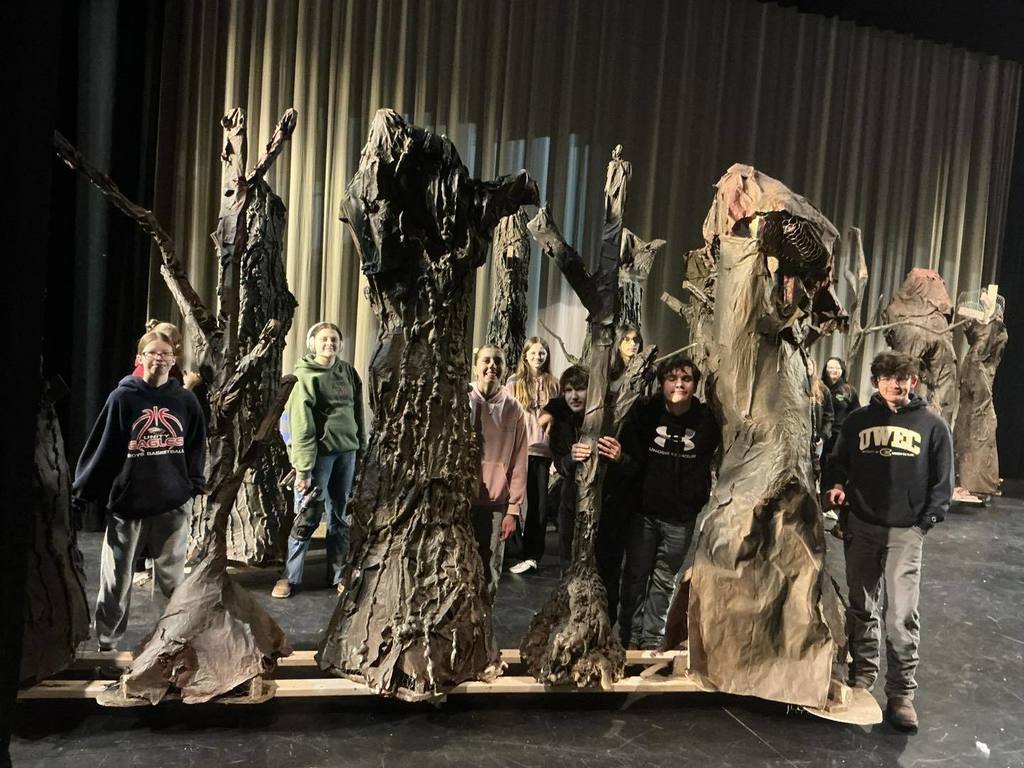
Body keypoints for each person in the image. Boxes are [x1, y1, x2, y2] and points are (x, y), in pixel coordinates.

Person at [825, 351, 953, 732]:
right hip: (862, 527)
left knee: (900, 615)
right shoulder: (857, 421)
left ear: (913, 381)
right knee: (861, 606)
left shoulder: (932, 425)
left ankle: (900, 694)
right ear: (876, 381)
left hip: (905, 532)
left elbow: (942, 481)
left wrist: (925, 522)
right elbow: (836, 461)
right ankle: (862, 679)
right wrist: (834, 486)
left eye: (901, 378)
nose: (893, 384)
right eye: (885, 378)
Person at [73, 330, 207, 651]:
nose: (159, 358)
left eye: (165, 353)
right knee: (116, 580)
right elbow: (103, 449)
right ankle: (107, 642)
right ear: (140, 359)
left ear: (173, 361)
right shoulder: (123, 398)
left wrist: (193, 485)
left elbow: (195, 446)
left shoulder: (185, 400)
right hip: (128, 505)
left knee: (171, 581)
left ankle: (168, 645)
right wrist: (82, 493)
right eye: (152, 352)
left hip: (173, 505)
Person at [611, 354, 720, 649]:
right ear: (661, 383)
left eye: (685, 379)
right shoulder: (647, 413)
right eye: (672, 379)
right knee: (634, 576)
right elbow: (632, 457)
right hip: (644, 512)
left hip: (680, 517)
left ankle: (649, 641)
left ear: (695, 384)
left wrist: (695, 500)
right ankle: (627, 637)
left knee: (663, 580)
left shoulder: (707, 419)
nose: (679, 384)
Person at [273, 321, 366, 599]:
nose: (330, 343)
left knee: (340, 515)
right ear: (312, 343)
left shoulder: (347, 371)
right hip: (319, 457)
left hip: (346, 453)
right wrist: (302, 469)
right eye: (324, 339)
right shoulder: (305, 377)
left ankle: (338, 575)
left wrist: (361, 448)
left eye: (334, 339)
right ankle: (290, 576)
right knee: (308, 514)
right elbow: (300, 426)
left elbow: (357, 411)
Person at [469, 345, 528, 600]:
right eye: (486, 360)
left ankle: (484, 626)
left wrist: (512, 511)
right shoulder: (463, 400)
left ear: (505, 369)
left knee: (490, 568)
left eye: (498, 361)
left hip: (496, 503)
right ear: (476, 365)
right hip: (462, 500)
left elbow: (519, 463)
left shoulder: (514, 409)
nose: (492, 366)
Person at [506, 337, 560, 575]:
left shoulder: (554, 384)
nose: (538, 357)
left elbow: (559, 420)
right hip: (518, 450)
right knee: (513, 500)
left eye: (542, 353)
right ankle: (513, 550)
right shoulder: (513, 383)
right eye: (534, 353)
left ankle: (532, 554)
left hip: (543, 451)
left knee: (538, 504)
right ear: (525, 355)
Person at [539, 364, 589, 563]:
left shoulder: (605, 416)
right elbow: (560, 464)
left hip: (603, 499)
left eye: (580, 389)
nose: (574, 396)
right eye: (568, 390)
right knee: (567, 559)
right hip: (570, 496)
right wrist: (572, 456)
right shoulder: (561, 420)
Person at [821, 356, 860, 482]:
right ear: (825, 369)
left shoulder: (848, 390)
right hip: (821, 435)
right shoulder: (818, 388)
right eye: (830, 367)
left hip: (839, 435)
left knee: (834, 468)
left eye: (837, 367)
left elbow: (856, 413)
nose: (833, 370)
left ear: (842, 370)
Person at [807, 357, 834, 484]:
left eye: (810, 365)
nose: (808, 368)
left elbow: (829, 416)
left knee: (814, 470)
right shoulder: (794, 388)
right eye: (805, 366)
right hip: (798, 438)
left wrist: (823, 435)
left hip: (816, 439)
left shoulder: (823, 389)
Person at [608, 325, 643, 393]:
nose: (633, 343)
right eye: (627, 339)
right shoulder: (609, 368)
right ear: (619, 342)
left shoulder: (643, 368)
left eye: (636, 339)